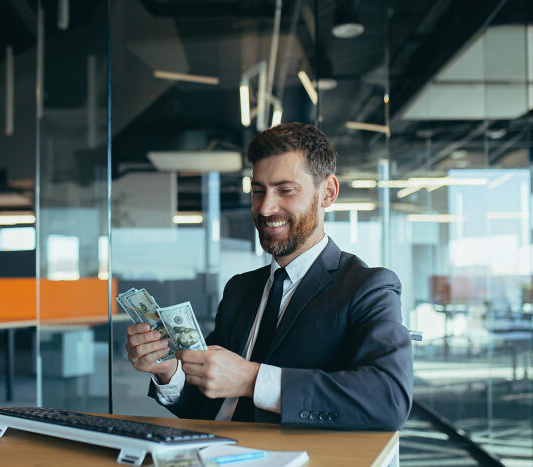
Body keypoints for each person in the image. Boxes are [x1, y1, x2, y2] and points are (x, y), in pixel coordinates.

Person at [125, 122, 413, 429]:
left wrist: (251, 379)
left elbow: (389, 399)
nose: (265, 208)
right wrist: (169, 371)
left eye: (285, 190)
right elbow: (211, 402)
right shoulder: (240, 288)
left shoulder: (367, 286)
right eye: (258, 191)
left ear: (327, 192)